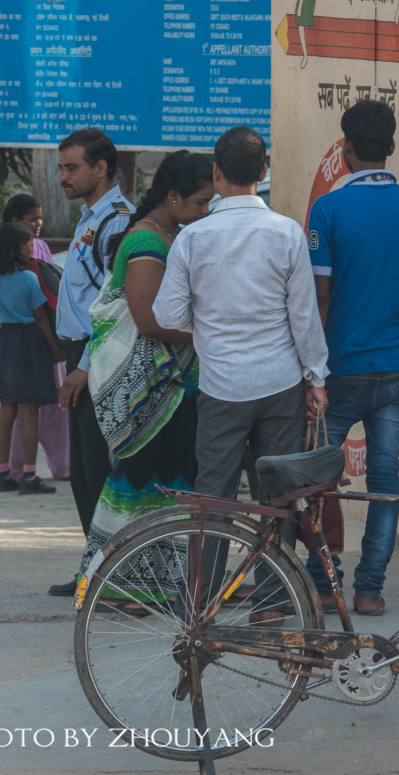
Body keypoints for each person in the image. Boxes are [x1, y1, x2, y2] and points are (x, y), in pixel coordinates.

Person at [154, 126, 329, 626]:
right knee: (278, 498)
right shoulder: (287, 232)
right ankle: (272, 603)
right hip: (280, 384)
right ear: (265, 172)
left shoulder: (193, 238)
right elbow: (303, 316)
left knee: (213, 500)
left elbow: (168, 313)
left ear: (216, 173)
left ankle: (201, 605)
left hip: (222, 387)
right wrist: (316, 378)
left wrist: (207, 326)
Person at [303, 100, 399, 617]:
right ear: (391, 146)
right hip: (394, 368)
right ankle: (369, 590)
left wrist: (311, 368)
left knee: (315, 480)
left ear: (345, 150)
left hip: (339, 368)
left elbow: (319, 298)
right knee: (385, 481)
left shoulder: (328, 209)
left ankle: (326, 584)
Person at [75, 151, 215, 605]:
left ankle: (137, 584)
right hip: (155, 389)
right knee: (141, 478)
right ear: (172, 197)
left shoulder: (167, 234)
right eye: (199, 202)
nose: (204, 211)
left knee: (162, 480)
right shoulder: (148, 243)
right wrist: (214, 331)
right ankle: (111, 583)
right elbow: (149, 320)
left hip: (170, 385)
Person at [48, 129, 134, 596]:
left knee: (100, 471)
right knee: (82, 472)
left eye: (72, 168)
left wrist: (85, 367)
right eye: (61, 167)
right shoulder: (92, 218)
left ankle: (113, 574)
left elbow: (117, 308)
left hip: (97, 357)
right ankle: (97, 569)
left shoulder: (117, 223)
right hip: (79, 354)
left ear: (101, 169)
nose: (63, 176)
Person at [0, 193, 69, 485]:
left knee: (7, 412)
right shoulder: (30, 278)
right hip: (30, 341)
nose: (35, 244)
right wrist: (56, 349)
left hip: (5, 341)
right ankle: (30, 474)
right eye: (29, 240)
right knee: (31, 410)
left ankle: (4, 472)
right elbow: (42, 316)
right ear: (21, 246)